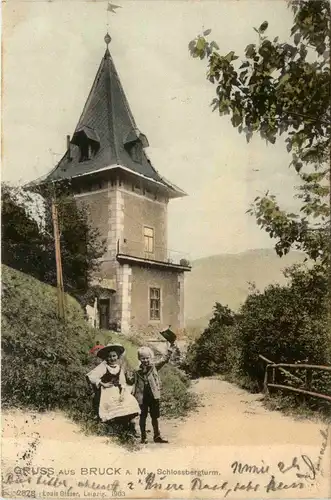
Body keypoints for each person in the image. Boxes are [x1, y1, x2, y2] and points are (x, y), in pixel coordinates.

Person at [86, 343, 140, 435]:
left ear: (117, 356)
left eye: (114, 356)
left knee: (130, 402)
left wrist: (123, 393)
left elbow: (122, 382)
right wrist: (103, 383)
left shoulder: (118, 368)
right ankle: (114, 428)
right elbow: (91, 376)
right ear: (106, 358)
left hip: (117, 390)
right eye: (109, 356)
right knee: (110, 407)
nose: (112, 358)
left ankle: (129, 427)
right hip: (106, 392)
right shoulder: (103, 366)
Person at [132, 345, 172, 444]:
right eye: (143, 358)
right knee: (143, 417)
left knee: (155, 416)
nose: (145, 360)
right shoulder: (137, 371)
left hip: (153, 395)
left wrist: (170, 351)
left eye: (147, 358)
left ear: (150, 357)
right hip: (142, 397)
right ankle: (143, 437)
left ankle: (157, 436)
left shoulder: (154, 366)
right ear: (139, 359)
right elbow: (132, 381)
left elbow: (164, 360)